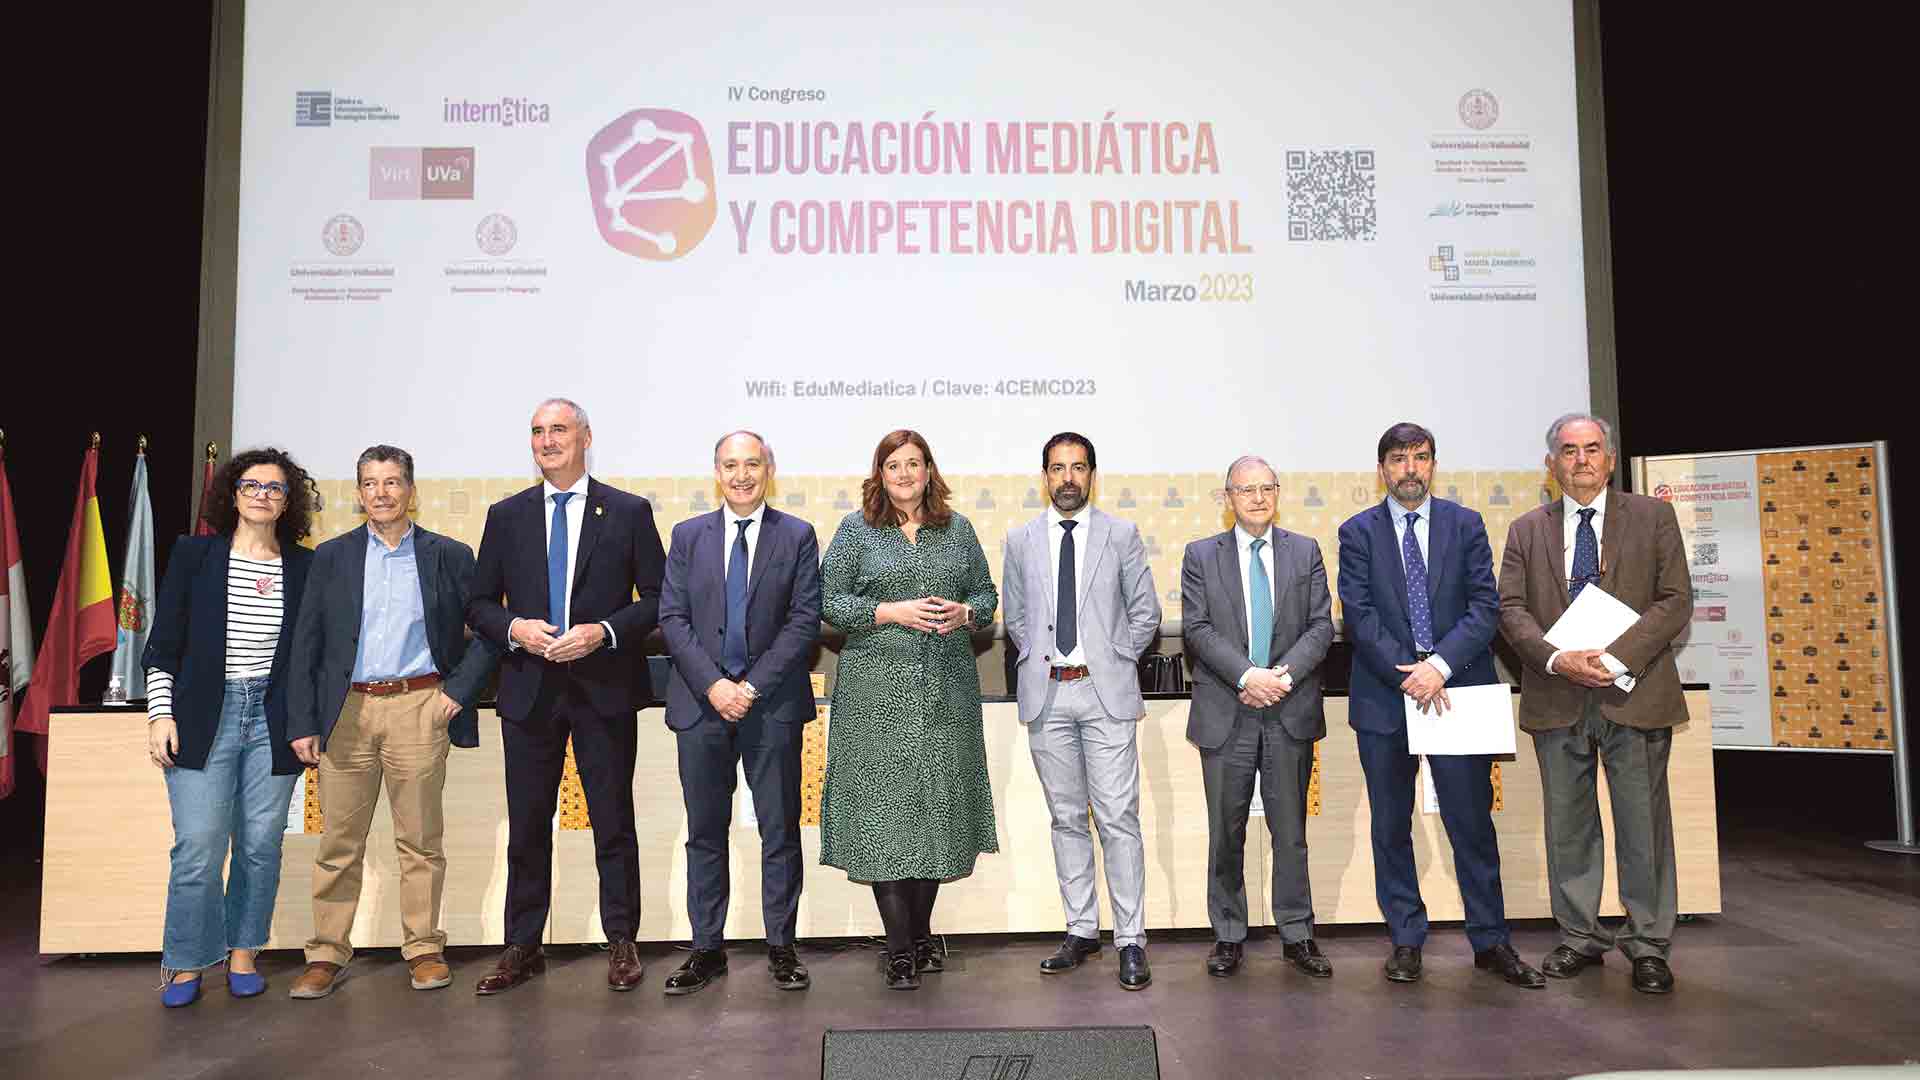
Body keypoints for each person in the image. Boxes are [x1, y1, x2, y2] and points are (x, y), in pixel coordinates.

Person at [465, 398, 666, 994]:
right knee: (528, 825)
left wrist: (602, 633)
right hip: (528, 693)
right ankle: (521, 945)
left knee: (613, 821)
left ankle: (622, 940)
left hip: (602, 687)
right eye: (537, 431)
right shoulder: (506, 516)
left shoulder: (628, 512)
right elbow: (477, 604)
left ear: (586, 437)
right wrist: (514, 630)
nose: (547, 440)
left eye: (559, 429)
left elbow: (656, 599)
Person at [284, 445, 499, 998]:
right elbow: (306, 644)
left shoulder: (449, 555)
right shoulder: (329, 558)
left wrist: (456, 693)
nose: (381, 493)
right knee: (339, 843)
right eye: (370, 483)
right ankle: (326, 953)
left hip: (419, 706)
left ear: (410, 490)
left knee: (420, 841)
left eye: (392, 482)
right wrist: (304, 721)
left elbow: (492, 629)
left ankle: (424, 948)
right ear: (358, 494)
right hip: (346, 713)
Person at [1335, 423, 1544, 988]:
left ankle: (1491, 940)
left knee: (1472, 823)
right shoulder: (1356, 532)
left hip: (1457, 692)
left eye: (1421, 458)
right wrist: (1410, 672)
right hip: (1386, 697)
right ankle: (1405, 939)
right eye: (1399, 459)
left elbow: (1485, 605)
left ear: (1433, 464)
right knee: (1390, 827)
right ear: (1382, 468)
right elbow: (1358, 614)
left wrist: (1440, 667)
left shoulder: (1465, 524)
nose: (1410, 469)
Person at [1498, 412, 1691, 995]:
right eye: (1568, 450)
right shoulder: (1526, 529)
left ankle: (1648, 943)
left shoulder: (1654, 517)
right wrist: (1558, 658)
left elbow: (1675, 598)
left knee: (1642, 824)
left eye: (1591, 449)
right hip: (1557, 694)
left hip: (1631, 691)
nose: (1580, 459)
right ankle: (1580, 936)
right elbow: (1510, 610)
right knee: (1569, 826)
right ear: (1551, 463)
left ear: (1609, 458)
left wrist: (1614, 657)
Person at [818, 429, 999, 990]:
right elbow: (828, 602)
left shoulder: (958, 530)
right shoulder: (856, 530)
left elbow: (988, 599)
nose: (903, 474)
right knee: (885, 819)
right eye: (892, 465)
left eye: (913, 464)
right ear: (880, 473)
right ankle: (899, 950)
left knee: (937, 814)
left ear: (928, 471)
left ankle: (919, 936)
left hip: (946, 693)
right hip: (875, 696)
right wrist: (888, 612)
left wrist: (966, 612)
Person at [142, 447, 318, 1007]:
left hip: (273, 719)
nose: (262, 495)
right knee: (198, 846)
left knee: (262, 845)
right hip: (202, 718)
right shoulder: (195, 556)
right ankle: (188, 961)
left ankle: (244, 952)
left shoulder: (305, 566)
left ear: (289, 501)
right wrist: (159, 712)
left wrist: (307, 722)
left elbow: (309, 658)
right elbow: (164, 643)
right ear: (232, 495)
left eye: (274, 488)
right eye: (251, 486)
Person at [657, 431, 822, 995]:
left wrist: (748, 688)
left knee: (779, 833)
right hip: (700, 709)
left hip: (770, 707)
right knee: (705, 833)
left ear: (769, 469)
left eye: (753, 464)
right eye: (731, 465)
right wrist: (714, 687)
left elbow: (804, 621)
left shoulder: (797, 535)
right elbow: (672, 619)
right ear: (716, 472)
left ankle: (782, 946)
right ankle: (707, 949)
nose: (742, 475)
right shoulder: (687, 536)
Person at [1001, 433, 1160, 990]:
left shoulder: (1121, 535)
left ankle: (1131, 939)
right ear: (1044, 476)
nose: (1067, 478)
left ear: (1092, 474)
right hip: (1047, 695)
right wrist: (1040, 662)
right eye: (1057, 469)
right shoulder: (1020, 541)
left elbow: (1145, 613)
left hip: (1104, 694)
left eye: (1077, 468)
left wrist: (1112, 660)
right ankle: (1081, 929)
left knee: (1118, 818)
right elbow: (1017, 618)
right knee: (1066, 818)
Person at [1180, 455, 1334, 979]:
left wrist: (1280, 677)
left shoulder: (1305, 551)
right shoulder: (1200, 555)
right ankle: (1227, 933)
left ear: (1277, 492)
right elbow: (1197, 629)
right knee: (1227, 829)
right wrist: (1249, 676)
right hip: (1228, 710)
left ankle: (1298, 932)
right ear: (1228, 497)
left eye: (1266, 487)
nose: (1258, 497)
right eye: (1246, 489)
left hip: (1288, 708)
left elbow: (1320, 626)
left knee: (1291, 831)